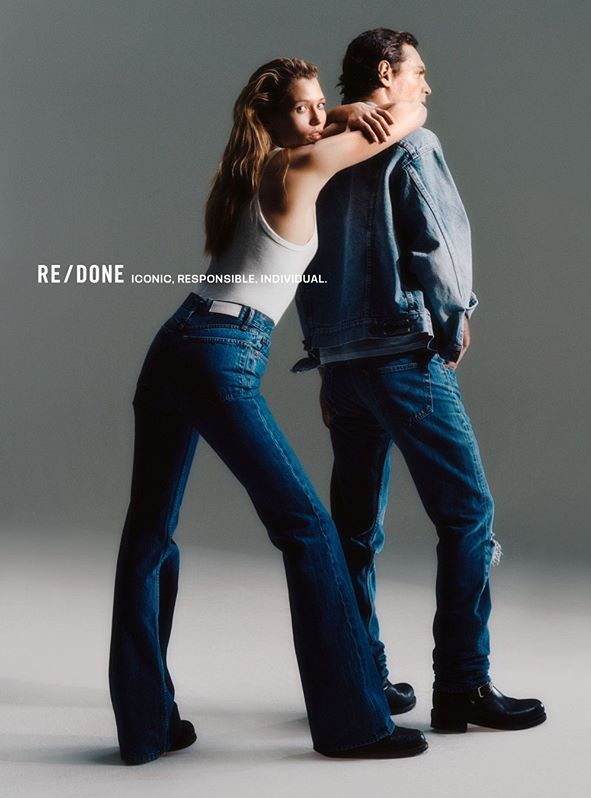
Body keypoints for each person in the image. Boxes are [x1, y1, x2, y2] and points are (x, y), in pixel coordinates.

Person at [108, 56, 429, 765]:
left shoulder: (254, 170)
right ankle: (353, 724)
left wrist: (334, 113)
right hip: (222, 354)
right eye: (306, 108)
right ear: (275, 118)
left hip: (178, 343)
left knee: (150, 534)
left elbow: (321, 128)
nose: (321, 116)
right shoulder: (299, 170)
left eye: (323, 105)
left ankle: (145, 726)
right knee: (309, 529)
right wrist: (384, 102)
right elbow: (406, 123)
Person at [294, 29, 547, 732]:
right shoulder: (410, 144)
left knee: (353, 530)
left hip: (344, 364)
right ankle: (463, 686)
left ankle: (359, 677)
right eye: (419, 72)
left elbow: (305, 263)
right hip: (403, 352)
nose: (427, 86)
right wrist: (453, 316)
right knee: (468, 516)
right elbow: (436, 238)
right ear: (387, 72)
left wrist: (327, 354)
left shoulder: (320, 154)